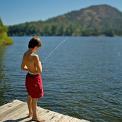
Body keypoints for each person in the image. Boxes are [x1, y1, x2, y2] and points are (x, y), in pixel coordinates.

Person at [21, 36, 44, 121]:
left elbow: (22, 67)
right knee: (35, 98)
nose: (37, 49)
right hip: (35, 78)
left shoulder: (25, 54)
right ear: (35, 46)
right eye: (38, 48)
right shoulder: (35, 56)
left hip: (28, 77)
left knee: (30, 95)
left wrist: (30, 69)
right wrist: (40, 63)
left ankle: (30, 113)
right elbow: (40, 71)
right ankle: (34, 117)